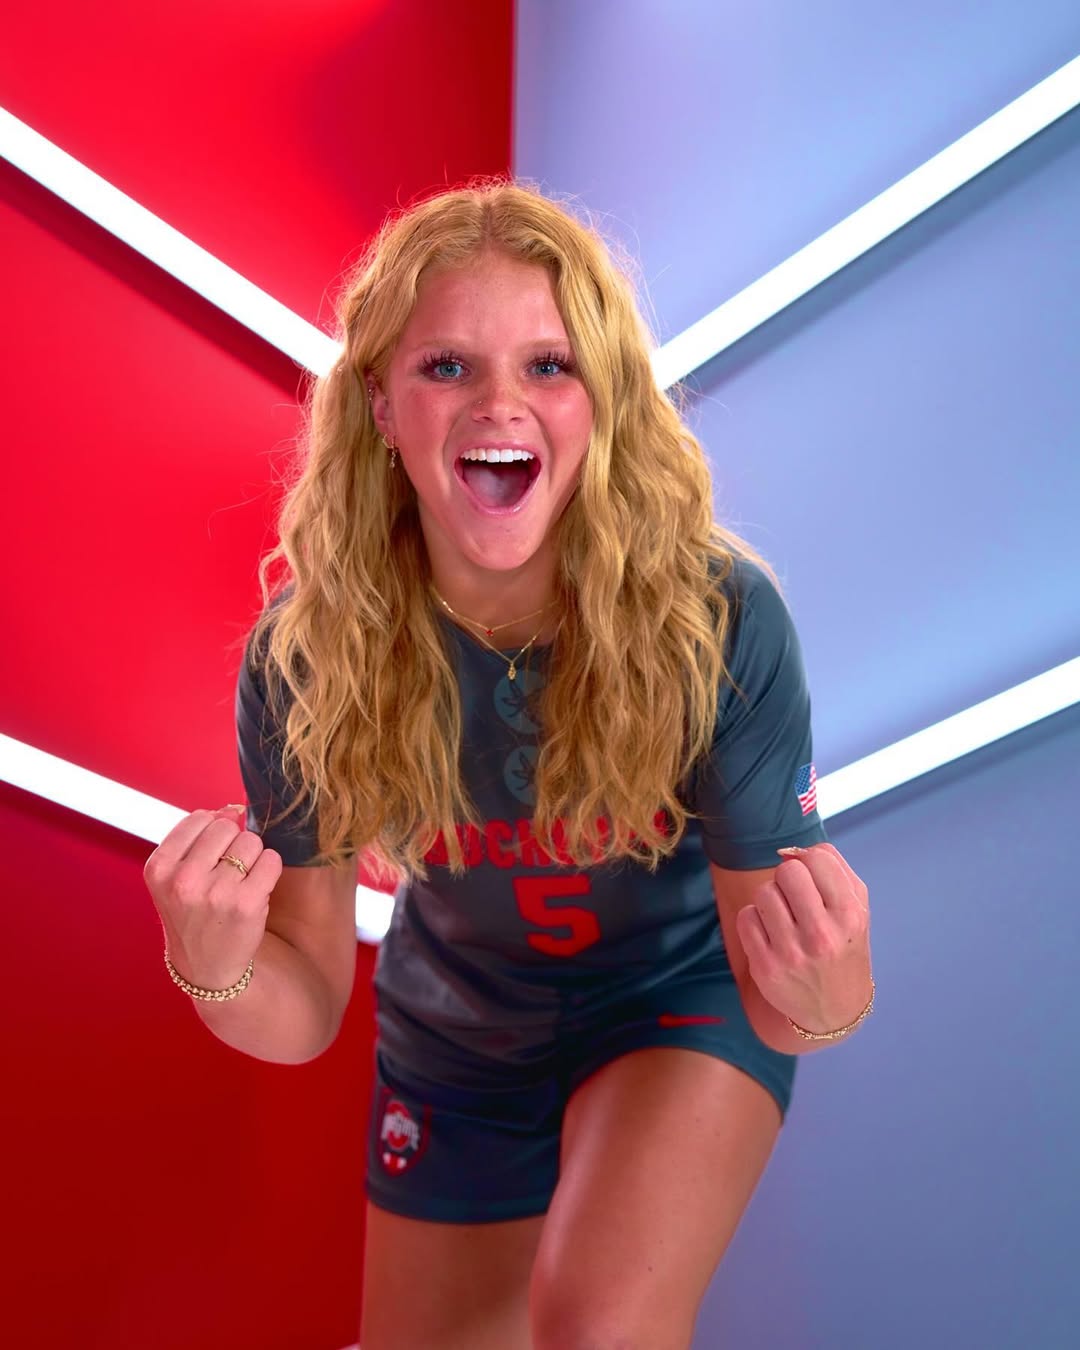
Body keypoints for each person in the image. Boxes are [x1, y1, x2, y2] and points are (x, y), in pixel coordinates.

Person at [144, 179, 875, 1350]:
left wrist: (833, 995)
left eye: (549, 365)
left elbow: (788, 1008)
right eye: (446, 366)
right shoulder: (307, 653)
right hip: (454, 1036)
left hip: (672, 1001)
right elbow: (306, 1006)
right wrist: (212, 967)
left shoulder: (718, 620)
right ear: (382, 405)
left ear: (605, 400)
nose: (500, 402)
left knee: (597, 1329)